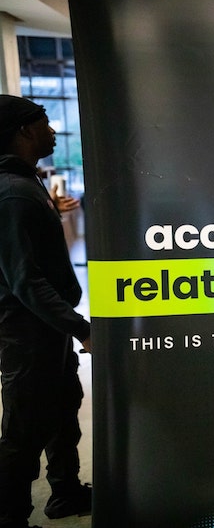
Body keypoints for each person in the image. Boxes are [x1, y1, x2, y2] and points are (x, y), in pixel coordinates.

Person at [0, 95, 93, 528]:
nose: (53, 130)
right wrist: (80, 328)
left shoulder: (25, 183)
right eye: (44, 123)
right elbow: (25, 280)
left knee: (62, 411)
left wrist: (49, 211)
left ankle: (66, 493)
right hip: (27, 334)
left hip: (45, 328)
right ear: (23, 131)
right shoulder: (12, 192)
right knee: (22, 434)